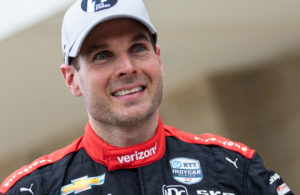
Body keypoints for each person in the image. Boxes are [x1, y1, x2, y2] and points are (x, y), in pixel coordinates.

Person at [0, 0, 294, 194]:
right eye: (103, 56)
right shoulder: (34, 189)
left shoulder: (235, 169)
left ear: (159, 59)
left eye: (138, 48)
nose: (127, 68)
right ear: (71, 79)